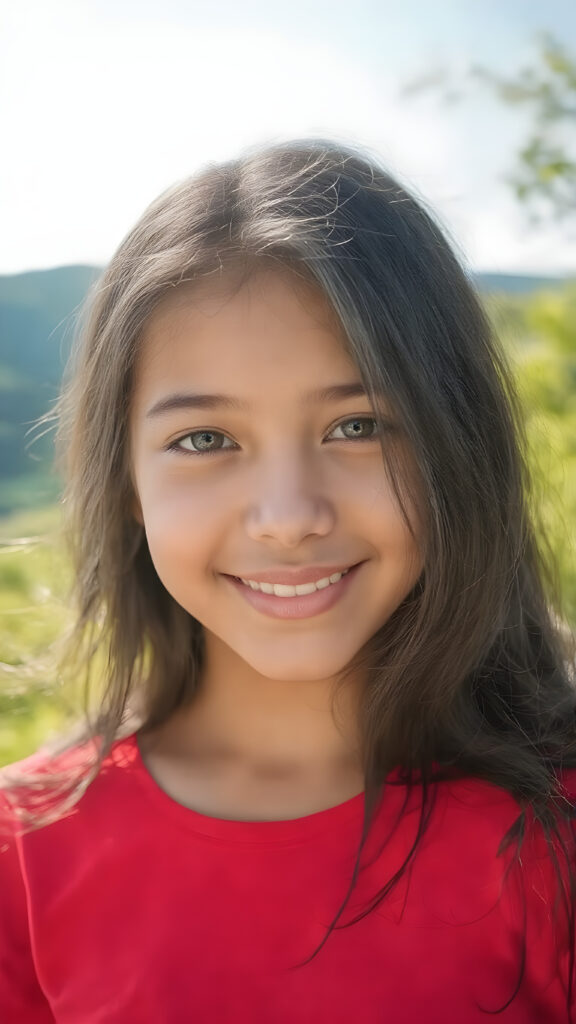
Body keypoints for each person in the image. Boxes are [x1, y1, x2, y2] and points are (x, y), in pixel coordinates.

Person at [1, 138, 575, 1023]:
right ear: (124, 484)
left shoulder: (556, 824)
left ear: (459, 442)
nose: (287, 514)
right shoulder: (25, 856)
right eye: (205, 440)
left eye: (358, 426)